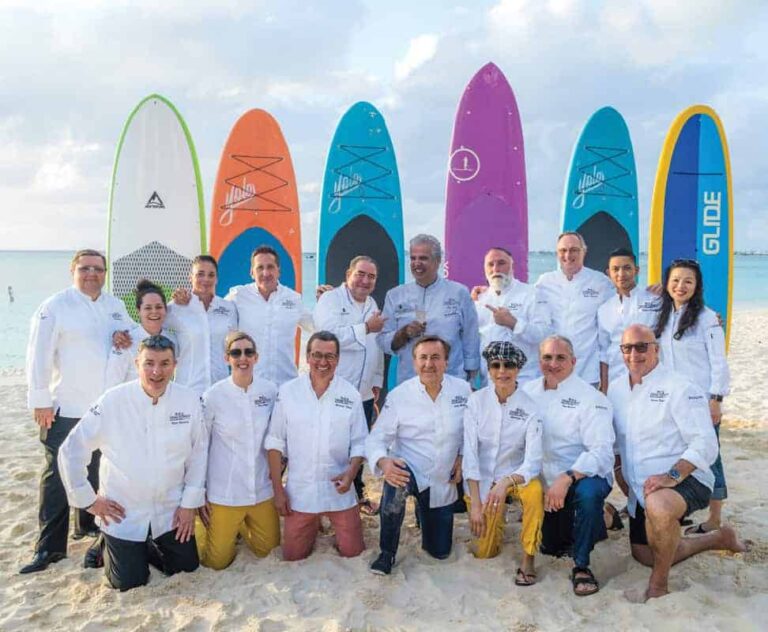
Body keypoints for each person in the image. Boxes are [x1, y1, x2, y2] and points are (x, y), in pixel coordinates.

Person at [58, 335, 208, 591]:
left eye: (165, 363)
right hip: (123, 511)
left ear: (175, 365)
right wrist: (89, 501)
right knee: (129, 582)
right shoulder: (112, 400)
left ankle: (145, 544)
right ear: (137, 363)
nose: (156, 371)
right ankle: (107, 543)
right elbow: (71, 450)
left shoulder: (189, 400)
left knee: (186, 568)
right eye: (149, 363)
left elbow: (199, 453)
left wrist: (188, 505)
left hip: (170, 509)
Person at [609, 324, 747, 600]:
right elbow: (616, 441)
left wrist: (672, 476)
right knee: (645, 554)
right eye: (627, 348)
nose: (634, 354)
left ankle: (658, 585)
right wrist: (618, 469)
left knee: (659, 506)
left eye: (641, 347)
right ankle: (719, 538)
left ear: (656, 349)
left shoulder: (681, 387)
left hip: (688, 477)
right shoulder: (615, 389)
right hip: (643, 487)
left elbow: (706, 443)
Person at [21, 249, 131, 574]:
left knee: (95, 468)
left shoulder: (115, 306)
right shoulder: (55, 306)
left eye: (98, 269)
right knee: (56, 477)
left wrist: (126, 337)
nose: (92, 274)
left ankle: (87, 525)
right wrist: (40, 400)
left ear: (105, 273)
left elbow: (132, 338)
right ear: (73, 271)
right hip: (64, 406)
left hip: (102, 406)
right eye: (85, 268)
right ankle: (49, 548)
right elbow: (38, 354)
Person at [366, 335, 470, 575]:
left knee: (440, 552)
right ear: (414, 363)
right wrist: (384, 462)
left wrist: (462, 457)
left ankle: (425, 514)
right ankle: (387, 552)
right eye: (423, 358)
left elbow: (471, 431)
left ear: (446, 361)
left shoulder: (463, 391)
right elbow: (376, 438)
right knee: (396, 484)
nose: (429, 364)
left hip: (442, 477)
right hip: (409, 467)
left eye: (435, 357)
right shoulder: (400, 396)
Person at [522, 335, 615, 596]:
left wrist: (567, 478)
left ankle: (582, 565)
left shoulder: (591, 398)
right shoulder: (527, 393)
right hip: (546, 481)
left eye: (560, 358)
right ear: (539, 360)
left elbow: (602, 453)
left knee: (588, 496)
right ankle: (605, 517)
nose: (553, 364)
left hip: (583, 476)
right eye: (547, 357)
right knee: (552, 547)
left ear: (574, 361)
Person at [265, 331, 367, 561]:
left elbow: (360, 442)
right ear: (307, 357)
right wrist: (278, 491)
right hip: (301, 493)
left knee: (353, 553)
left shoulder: (350, 394)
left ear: (338, 359)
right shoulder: (288, 392)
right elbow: (274, 442)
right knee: (293, 556)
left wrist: (351, 474)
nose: (323, 362)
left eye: (330, 356)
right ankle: (313, 525)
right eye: (317, 355)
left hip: (338, 490)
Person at [654, 260, 731, 536]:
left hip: (701, 402)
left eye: (688, 281)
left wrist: (716, 399)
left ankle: (715, 518)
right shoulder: (662, 316)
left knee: (711, 456)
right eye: (675, 280)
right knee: (676, 454)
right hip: (671, 401)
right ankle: (678, 510)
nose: (680, 286)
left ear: (697, 286)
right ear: (667, 283)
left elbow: (719, 362)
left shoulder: (707, 318)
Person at [195, 331, 280, 569]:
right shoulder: (213, 396)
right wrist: (199, 491)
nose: (243, 358)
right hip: (225, 493)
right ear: (227, 358)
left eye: (248, 352)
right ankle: (214, 526)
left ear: (256, 357)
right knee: (217, 562)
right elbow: (200, 445)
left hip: (261, 490)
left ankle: (242, 525)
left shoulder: (270, 391)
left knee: (269, 551)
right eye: (236, 353)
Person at [463, 341, 544, 586]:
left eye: (508, 365)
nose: (502, 371)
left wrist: (506, 482)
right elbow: (470, 455)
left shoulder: (530, 406)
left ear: (518, 369)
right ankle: (496, 520)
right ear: (488, 369)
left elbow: (533, 462)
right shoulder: (475, 401)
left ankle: (528, 557)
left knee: (535, 492)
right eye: (495, 365)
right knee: (485, 552)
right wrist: (476, 505)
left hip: (515, 477)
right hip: (482, 482)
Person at [313, 255, 385, 515]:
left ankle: (356, 492)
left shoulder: (372, 303)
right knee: (329, 444)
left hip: (363, 392)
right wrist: (365, 327)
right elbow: (327, 339)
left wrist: (377, 378)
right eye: (360, 274)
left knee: (359, 444)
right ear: (348, 274)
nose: (365, 281)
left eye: (371, 277)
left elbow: (376, 344)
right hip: (333, 389)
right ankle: (322, 498)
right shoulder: (330, 300)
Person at [377, 234, 480, 385]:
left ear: (437, 261)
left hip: (451, 378)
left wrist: (471, 375)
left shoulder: (458, 293)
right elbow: (383, 340)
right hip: (410, 381)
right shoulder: (395, 295)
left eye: (423, 258)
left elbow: (470, 335)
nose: (417, 263)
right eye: (413, 258)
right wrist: (404, 334)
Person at [226, 246, 313, 386]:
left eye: (270, 267)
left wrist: (328, 301)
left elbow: (317, 326)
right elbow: (214, 316)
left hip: (286, 385)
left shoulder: (293, 299)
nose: (265, 273)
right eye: (260, 268)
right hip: (250, 386)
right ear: (252, 272)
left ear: (279, 271)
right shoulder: (238, 296)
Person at [535, 232, 614, 386]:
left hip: (587, 372)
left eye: (574, 250)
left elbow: (622, 303)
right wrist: (488, 292)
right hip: (552, 370)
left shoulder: (600, 282)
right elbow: (524, 301)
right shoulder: (544, 282)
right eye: (563, 250)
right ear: (557, 253)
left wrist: (650, 293)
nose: (568, 255)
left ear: (584, 252)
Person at [472, 247, 551, 385]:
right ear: (485, 269)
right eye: (490, 264)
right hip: (489, 383)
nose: (496, 269)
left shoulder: (532, 294)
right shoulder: (479, 300)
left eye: (501, 263)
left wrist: (513, 323)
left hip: (524, 381)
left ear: (512, 266)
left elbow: (544, 335)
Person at [166, 255, 239, 394]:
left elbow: (234, 344)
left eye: (211, 275)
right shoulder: (176, 307)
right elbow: (154, 327)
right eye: (200, 274)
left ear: (216, 279)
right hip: (188, 390)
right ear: (190, 277)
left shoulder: (228, 308)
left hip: (221, 390)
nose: (206, 279)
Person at [597, 248, 660, 393]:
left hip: (649, 378)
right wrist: (605, 388)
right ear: (608, 273)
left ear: (636, 270)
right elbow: (604, 352)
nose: (621, 274)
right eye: (616, 269)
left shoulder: (654, 300)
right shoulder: (604, 309)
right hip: (616, 379)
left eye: (626, 268)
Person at [105, 279, 178, 388]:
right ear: (138, 311)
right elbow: (111, 385)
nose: (154, 311)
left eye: (158, 307)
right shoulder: (125, 341)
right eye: (148, 308)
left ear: (165, 309)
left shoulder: (173, 340)